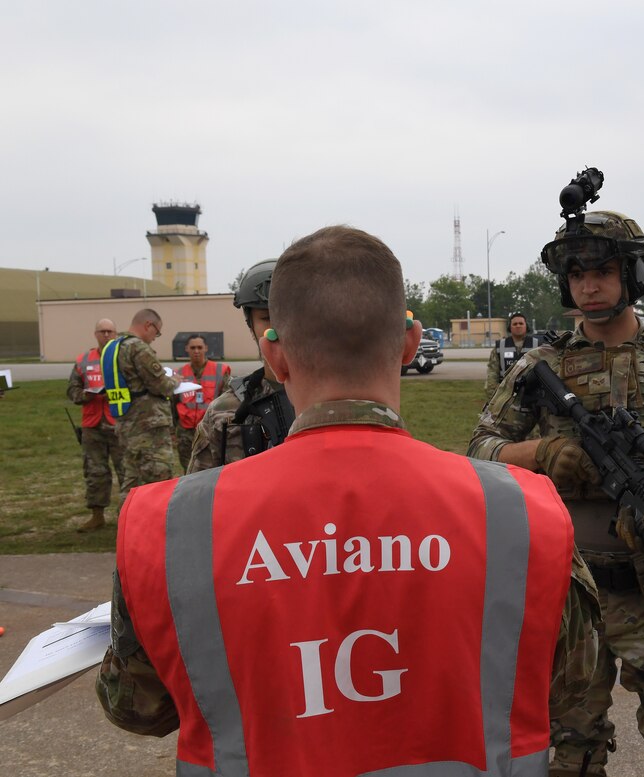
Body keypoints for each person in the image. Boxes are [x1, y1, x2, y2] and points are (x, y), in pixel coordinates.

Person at [95, 225, 599, 777]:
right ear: (409, 344)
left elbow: (136, 707)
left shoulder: (168, 524)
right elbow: (573, 684)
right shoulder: (522, 512)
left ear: (276, 356)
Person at [469, 209, 644, 777]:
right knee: (571, 745)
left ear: (632, 275)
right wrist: (543, 456)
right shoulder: (540, 365)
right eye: (576, 274)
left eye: (603, 271)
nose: (588, 285)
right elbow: (480, 447)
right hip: (563, 590)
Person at [187, 259, 294, 473]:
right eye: (267, 318)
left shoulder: (332, 401)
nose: (278, 329)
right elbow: (198, 492)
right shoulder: (226, 412)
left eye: (288, 316)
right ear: (250, 325)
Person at [101, 309, 178, 508]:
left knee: (131, 481)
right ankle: (155, 531)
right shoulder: (138, 348)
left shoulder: (111, 348)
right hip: (149, 426)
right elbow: (161, 385)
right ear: (148, 325)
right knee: (158, 480)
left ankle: (127, 528)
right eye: (157, 332)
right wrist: (175, 380)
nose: (155, 338)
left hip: (126, 423)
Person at [66, 318, 124, 531]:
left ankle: (127, 515)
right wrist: (85, 395)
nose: (106, 335)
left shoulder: (122, 358)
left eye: (110, 331)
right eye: (102, 331)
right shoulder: (83, 360)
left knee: (126, 471)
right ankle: (97, 515)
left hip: (118, 423)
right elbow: (71, 390)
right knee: (94, 471)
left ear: (116, 334)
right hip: (92, 424)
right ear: (95, 334)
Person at [174, 334, 230, 470]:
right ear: (187, 349)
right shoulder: (179, 374)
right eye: (193, 347)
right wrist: (172, 430)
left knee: (209, 467)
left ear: (206, 348)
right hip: (185, 432)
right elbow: (173, 403)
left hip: (209, 429)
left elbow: (227, 401)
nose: (196, 351)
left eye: (199, 347)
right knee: (187, 467)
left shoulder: (220, 371)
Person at [484, 311, 540, 401]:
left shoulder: (537, 345)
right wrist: (494, 397)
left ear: (526, 326)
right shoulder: (500, 346)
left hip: (531, 394)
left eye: (521, 323)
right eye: (515, 324)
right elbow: (492, 373)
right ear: (510, 327)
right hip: (505, 395)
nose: (518, 326)